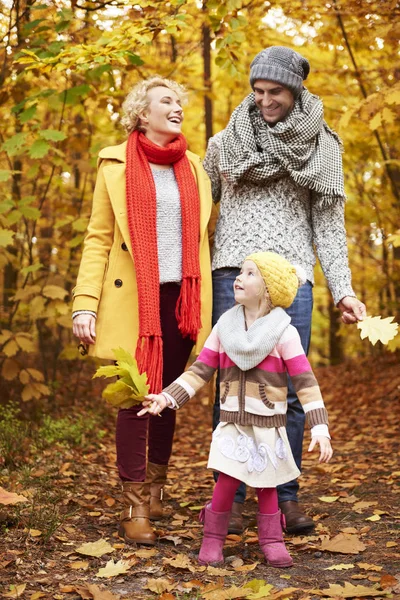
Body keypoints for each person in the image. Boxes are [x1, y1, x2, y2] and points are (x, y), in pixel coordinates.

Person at [202, 46, 366, 535]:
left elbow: (330, 226)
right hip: (232, 273)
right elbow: (197, 208)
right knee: (229, 384)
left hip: (292, 278)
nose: (265, 100)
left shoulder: (323, 147)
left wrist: (344, 290)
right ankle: (225, 498)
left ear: (296, 90)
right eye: (258, 91)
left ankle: (285, 497)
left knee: (287, 389)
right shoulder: (224, 143)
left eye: (275, 91)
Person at [72, 76, 216, 546]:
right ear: (142, 114)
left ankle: (156, 489)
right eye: (166, 102)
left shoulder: (195, 167)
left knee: (168, 396)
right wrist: (85, 304)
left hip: (182, 301)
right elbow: (97, 239)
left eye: (179, 101)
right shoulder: (114, 164)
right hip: (132, 298)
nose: (177, 108)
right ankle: (134, 504)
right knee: (134, 397)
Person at [140, 251, 333, 568]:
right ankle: (212, 540)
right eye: (239, 272)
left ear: (268, 288)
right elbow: (199, 371)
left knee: (267, 485)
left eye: (249, 273)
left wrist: (320, 427)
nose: (238, 278)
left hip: (268, 425)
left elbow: (305, 381)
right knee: (226, 482)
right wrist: (167, 397)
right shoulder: (223, 328)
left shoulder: (284, 333)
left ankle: (271, 540)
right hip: (232, 424)